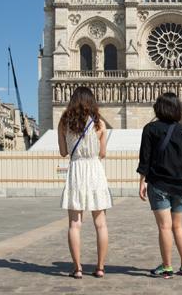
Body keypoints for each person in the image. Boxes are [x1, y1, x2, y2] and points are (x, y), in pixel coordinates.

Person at [58, 86, 112, 279]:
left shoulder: (64, 122)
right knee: (101, 224)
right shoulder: (99, 124)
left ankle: (78, 268)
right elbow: (103, 154)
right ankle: (100, 267)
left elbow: (64, 152)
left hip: (76, 172)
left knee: (74, 224)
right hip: (95, 171)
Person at [137, 92, 182, 279]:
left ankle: (167, 266)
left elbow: (145, 159)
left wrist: (142, 183)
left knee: (164, 227)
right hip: (180, 185)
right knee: (178, 226)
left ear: (158, 109)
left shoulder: (150, 129)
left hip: (160, 184)